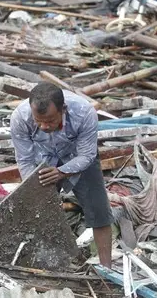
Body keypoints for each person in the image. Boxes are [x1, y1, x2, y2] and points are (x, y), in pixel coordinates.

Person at [10, 82, 113, 268]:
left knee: (99, 211)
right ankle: (48, 267)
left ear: (63, 109)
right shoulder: (20, 118)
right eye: (38, 120)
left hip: (78, 158)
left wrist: (62, 172)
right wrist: (33, 186)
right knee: (38, 213)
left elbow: (87, 155)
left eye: (50, 120)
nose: (44, 126)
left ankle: (107, 267)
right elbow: (24, 160)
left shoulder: (84, 113)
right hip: (42, 160)